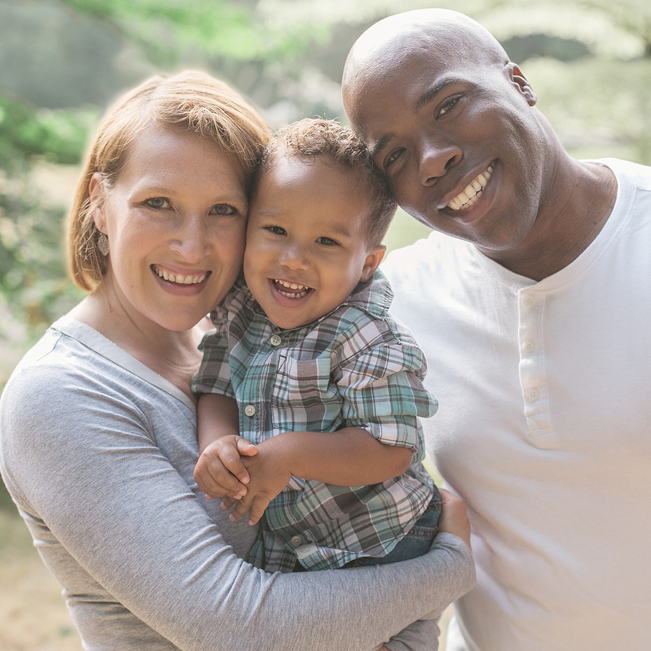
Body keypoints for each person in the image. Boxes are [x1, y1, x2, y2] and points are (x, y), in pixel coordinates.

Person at [0, 70, 475, 651]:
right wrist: (449, 567)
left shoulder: (243, 340)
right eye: (158, 203)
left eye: (223, 211)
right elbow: (241, 629)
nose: (193, 245)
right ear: (101, 204)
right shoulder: (61, 394)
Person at [342, 7, 651, 651]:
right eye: (395, 154)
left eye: (449, 106)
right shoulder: (392, 306)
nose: (433, 159)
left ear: (518, 82)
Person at [192, 118, 441, 581]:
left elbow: (390, 449)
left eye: (327, 241)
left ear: (367, 263)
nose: (294, 259)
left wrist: (288, 454)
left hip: (381, 537)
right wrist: (217, 442)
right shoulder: (242, 310)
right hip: (297, 545)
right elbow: (217, 385)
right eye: (276, 230)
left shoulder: (368, 337)